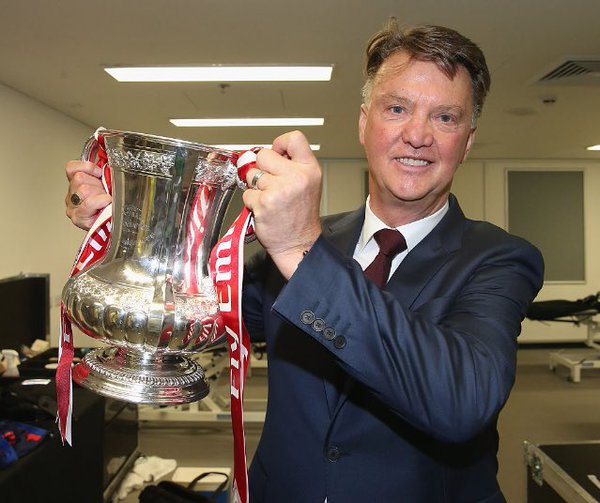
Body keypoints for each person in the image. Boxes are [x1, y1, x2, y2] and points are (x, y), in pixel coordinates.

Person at [66, 19, 544, 503]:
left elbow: (462, 403)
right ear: (364, 123)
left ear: (467, 142)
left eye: (445, 118)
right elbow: (197, 307)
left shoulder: (499, 258)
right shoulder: (295, 242)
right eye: (397, 108)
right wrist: (128, 228)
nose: (417, 134)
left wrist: (301, 249)